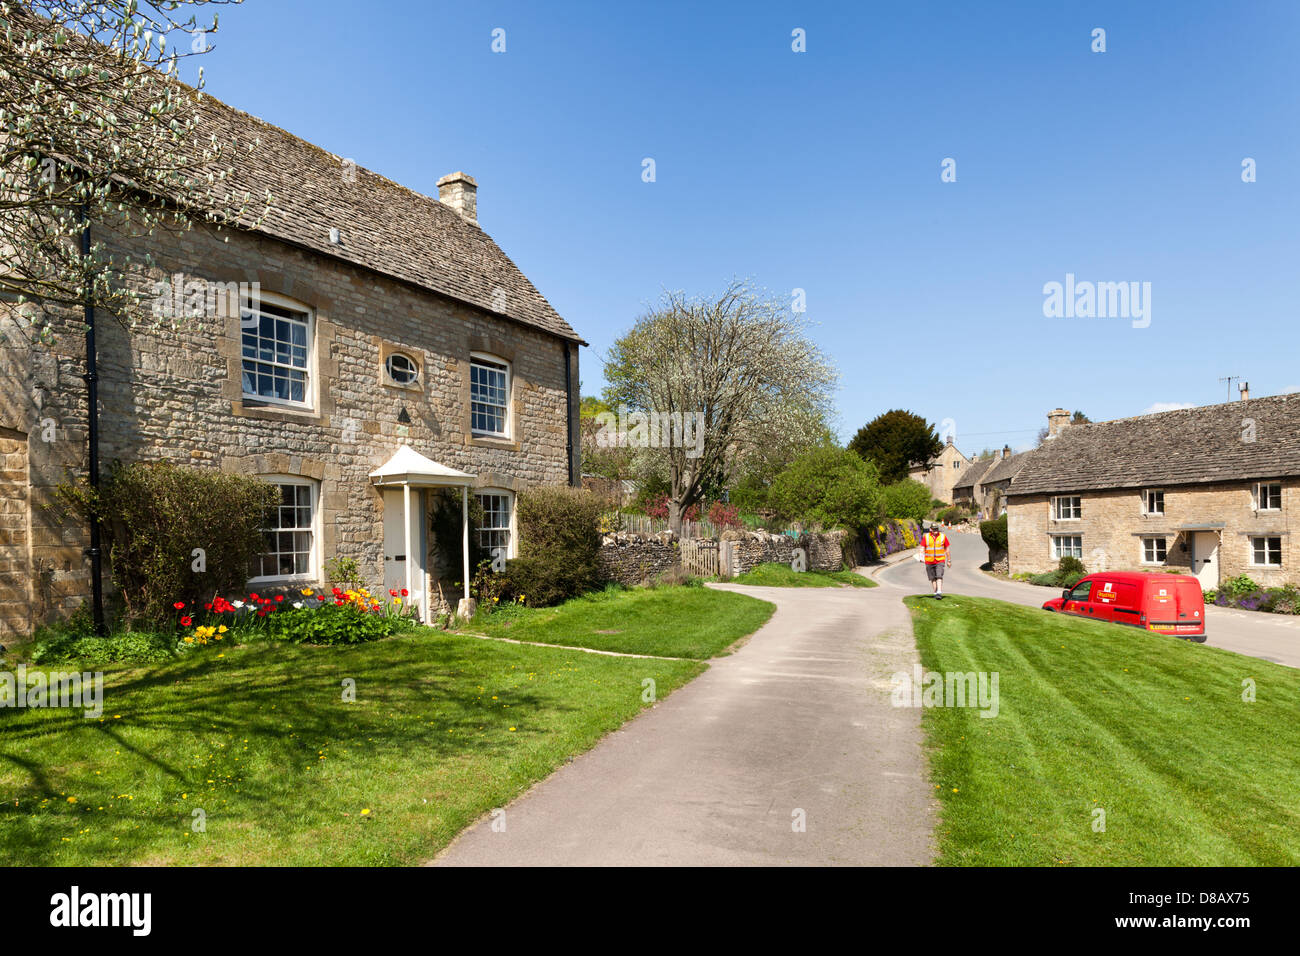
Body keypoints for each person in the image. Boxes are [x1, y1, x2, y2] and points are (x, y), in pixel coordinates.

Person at [921, 523, 951, 599]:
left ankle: (939, 592)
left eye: (936, 529)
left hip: (940, 560)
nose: (935, 531)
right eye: (934, 529)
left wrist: (949, 560)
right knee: (932, 578)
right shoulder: (926, 537)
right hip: (929, 561)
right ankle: (935, 593)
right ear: (930, 529)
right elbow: (922, 548)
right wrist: (921, 557)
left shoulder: (943, 537)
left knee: (939, 576)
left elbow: (947, 549)